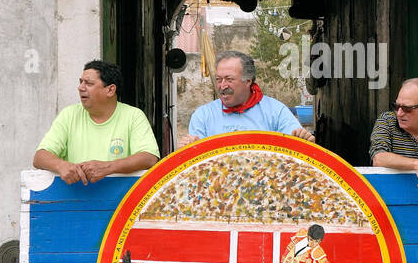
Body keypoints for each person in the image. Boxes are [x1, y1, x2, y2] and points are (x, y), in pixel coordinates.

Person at [33, 60, 159, 185]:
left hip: (120, 201)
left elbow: (149, 158)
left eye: (88, 83)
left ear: (110, 90)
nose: (80, 87)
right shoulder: (69, 115)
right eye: (80, 82)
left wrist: (108, 167)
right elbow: (40, 157)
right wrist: (61, 165)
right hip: (74, 200)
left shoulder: (133, 116)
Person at [185, 51, 314, 143]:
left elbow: (297, 151)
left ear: (248, 80)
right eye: (219, 80)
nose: (222, 86)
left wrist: (305, 141)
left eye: (229, 79)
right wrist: (187, 150)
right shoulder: (203, 115)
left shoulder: (276, 111)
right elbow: (196, 163)